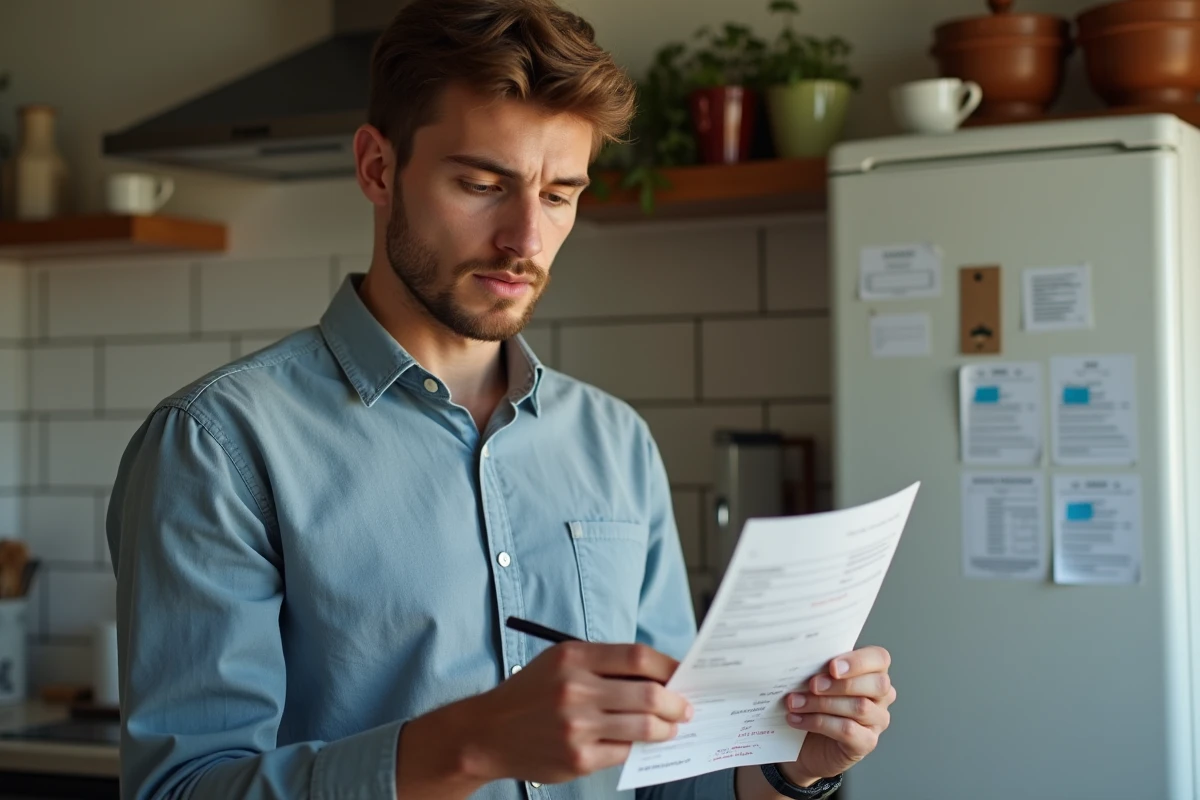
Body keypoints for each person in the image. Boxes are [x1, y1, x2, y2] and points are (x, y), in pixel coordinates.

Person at [106, 1, 896, 797]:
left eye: (559, 194)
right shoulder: (218, 445)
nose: (526, 239)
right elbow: (182, 788)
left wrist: (785, 767)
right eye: (483, 184)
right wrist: (470, 744)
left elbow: (665, 776)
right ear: (377, 168)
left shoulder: (616, 443)